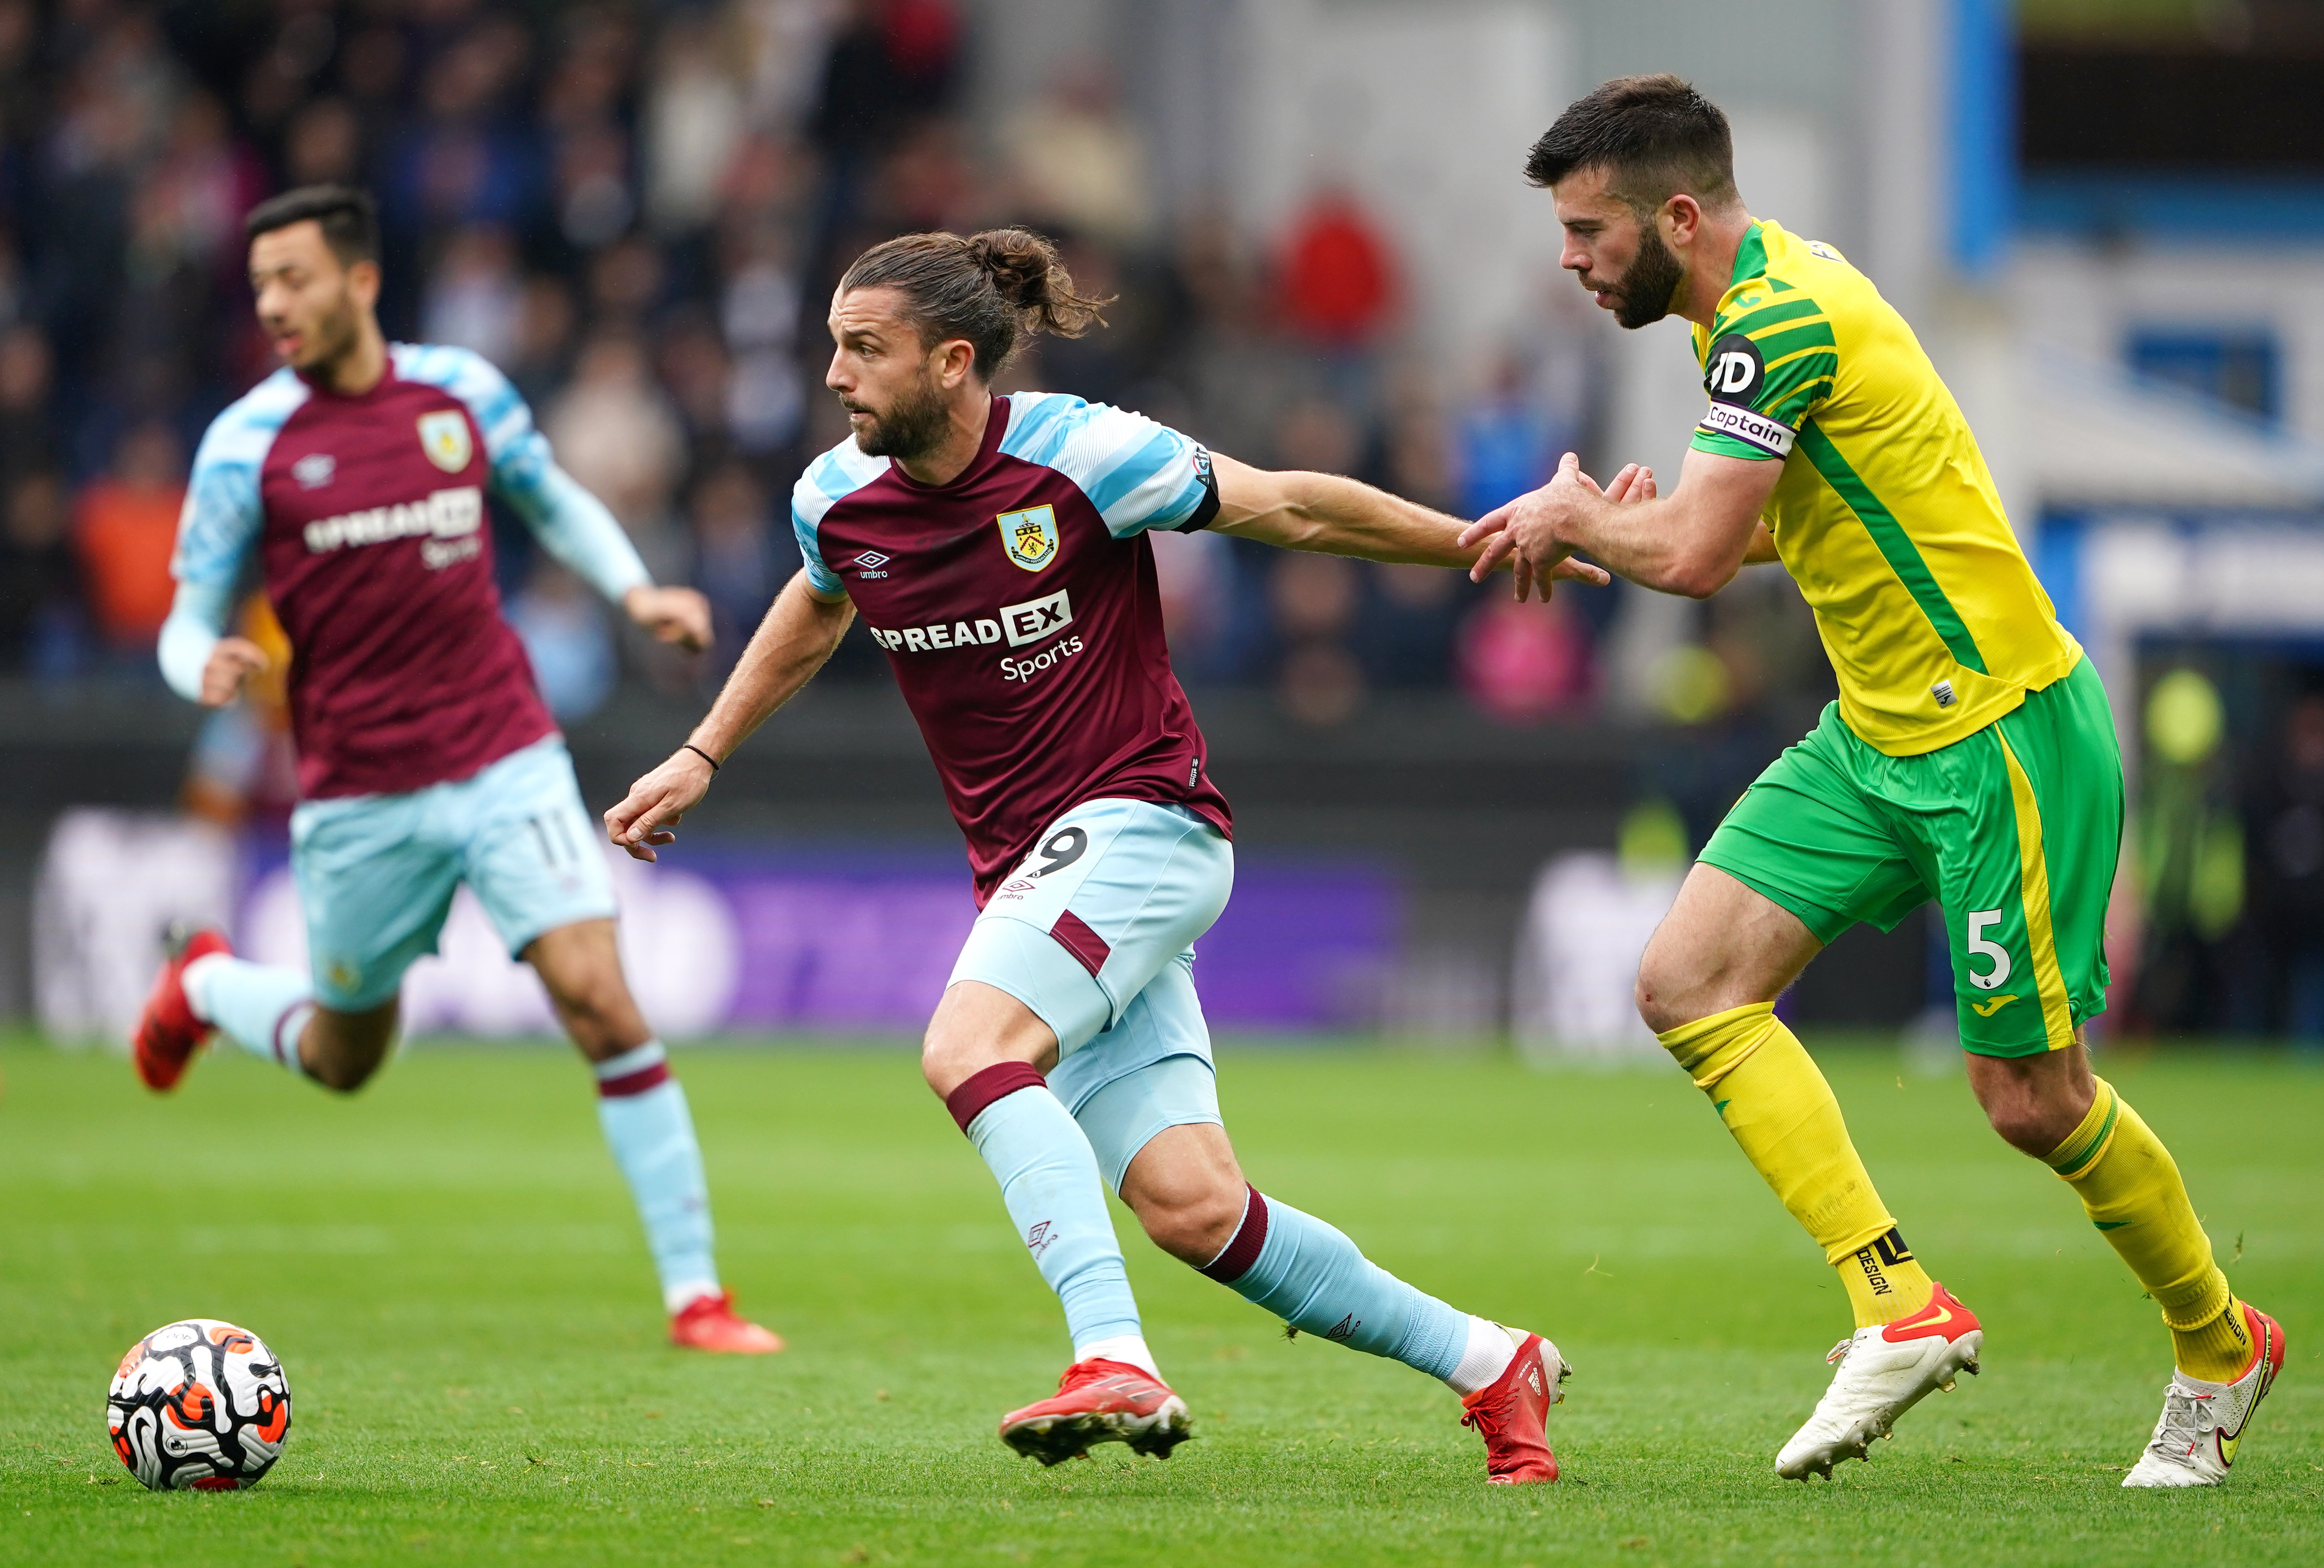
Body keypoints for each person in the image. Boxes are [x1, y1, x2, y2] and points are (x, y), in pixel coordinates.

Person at [604, 228, 1612, 1481]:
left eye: (864, 349)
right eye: (832, 347)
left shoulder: (1084, 454)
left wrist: (1479, 536)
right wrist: (702, 753)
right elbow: (819, 603)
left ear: (954, 361)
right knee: (1196, 1209)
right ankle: (1489, 1360)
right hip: (1041, 870)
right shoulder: (837, 501)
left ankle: (1112, 1357)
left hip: (1145, 819)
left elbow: (1290, 503)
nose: (835, 376)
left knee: (967, 1049)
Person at [1463, 76, 2280, 1489]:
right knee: (1686, 982)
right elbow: (1810, 523)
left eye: (1590, 230)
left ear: (1674, 214)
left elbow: (1705, 565)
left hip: (1998, 739)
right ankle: (1897, 1302)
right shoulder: (1763, 301)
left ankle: (2221, 1344)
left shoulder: (1776, 320)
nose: (1571, 260)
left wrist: (1584, 514)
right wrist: (1652, 524)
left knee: (2029, 1098)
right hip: (1877, 736)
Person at [130, 184, 782, 1356]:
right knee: (344, 1055)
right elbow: (186, 620)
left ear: (360, 280)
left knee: (599, 995)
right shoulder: (247, 443)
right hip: (360, 790)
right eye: (261, 284)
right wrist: (204, 666)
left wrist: (634, 590)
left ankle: (699, 1298)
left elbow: (553, 500)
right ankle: (207, 990)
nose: (273, 303)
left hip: (503, 752)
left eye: (294, 278)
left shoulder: (461, 394)